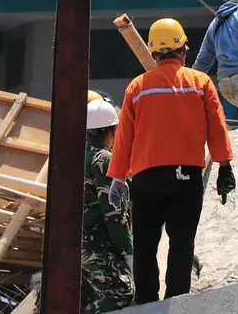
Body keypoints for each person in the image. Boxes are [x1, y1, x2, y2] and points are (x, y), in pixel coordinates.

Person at [107, 18, 236, 304]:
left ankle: (146, 302)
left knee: (145, 243)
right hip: (186, 177)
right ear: (184, 51)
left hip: (146, 179)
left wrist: (118, 177)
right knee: (181, 241)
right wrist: (224, 166)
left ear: (153, 53)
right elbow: (217, 128)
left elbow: (124, 136)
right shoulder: (200, 83)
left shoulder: (137, 87)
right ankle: (176, 300)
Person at [81, 99, 135, 314]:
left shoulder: (77, 157)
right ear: (113, 130)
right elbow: (114, 213)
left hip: (74, 245)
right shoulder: (103, 160)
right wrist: (127, 252)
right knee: (122, 292)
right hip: (98, 245)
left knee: (81, 297)